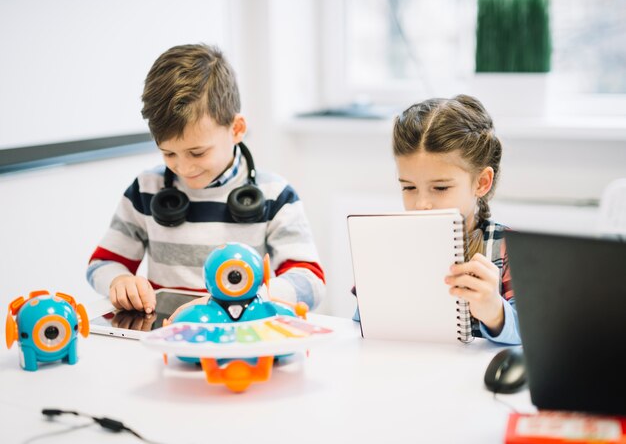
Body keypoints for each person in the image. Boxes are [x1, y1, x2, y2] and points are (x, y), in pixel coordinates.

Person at [86, 44, 325, 315]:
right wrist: (120, 281)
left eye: (197, 152)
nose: (184, 167)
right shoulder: (145, 190)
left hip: (241, 337)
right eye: (169, 153)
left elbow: (310, 281)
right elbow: (101, 264)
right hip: (171, 336)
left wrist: (251, 296)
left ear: (236, 129)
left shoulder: (275, 195)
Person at [354, 94, 519, 345]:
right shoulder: (392, 243)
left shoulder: (507, 247)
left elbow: (533, 334)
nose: (421, 204)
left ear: (481, 182)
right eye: (409, 188)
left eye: (440, 188)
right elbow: (361, 328)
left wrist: (495, 312)